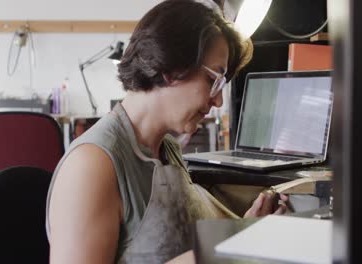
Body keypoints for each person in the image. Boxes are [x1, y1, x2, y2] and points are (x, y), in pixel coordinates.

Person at [46, 0, 288, 263]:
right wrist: (213, 255)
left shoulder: (166, 149)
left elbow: (174, 245)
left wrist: (241, 235)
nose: (218, 101)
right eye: (213, 80)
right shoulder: (92, 166)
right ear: (171, 67)